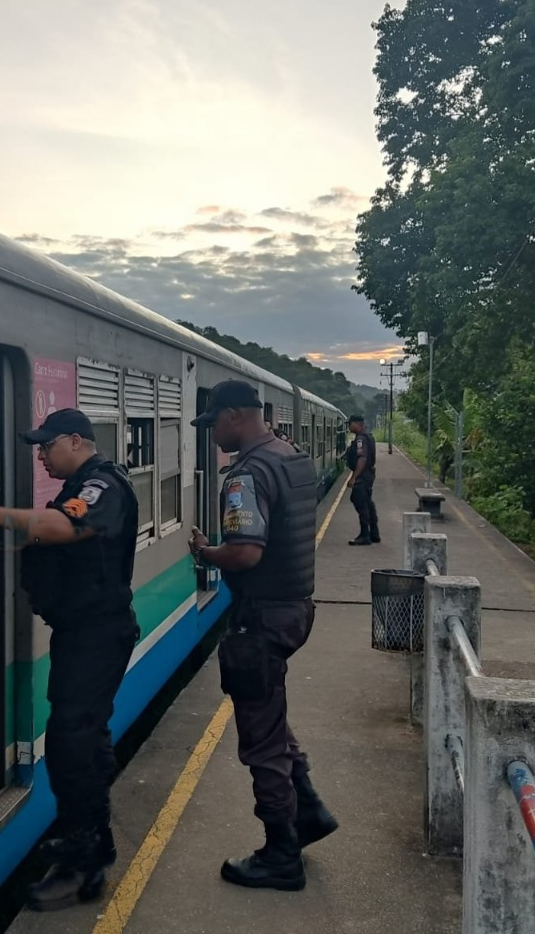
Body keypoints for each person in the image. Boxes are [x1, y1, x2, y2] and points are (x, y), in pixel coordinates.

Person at [0, 408, 139, 911]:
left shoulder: (102, 485)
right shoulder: (81, 482)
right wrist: (7, 556)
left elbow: (63, 529)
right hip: (82, 633)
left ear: (75, 440)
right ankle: (91, 839)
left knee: (75, 743)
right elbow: (63, 548)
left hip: (97, 633)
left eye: (46, 446)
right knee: (80, 738)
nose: (41, 456)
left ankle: (85, 861)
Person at [187, 380, 338, 892]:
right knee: (272, 717)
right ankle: (310, 812)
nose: (214, 438)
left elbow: (247, 551)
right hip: (295, 608)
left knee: (260, 743)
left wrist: (208, 553)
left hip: (262, 617)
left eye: (214, 426)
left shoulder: (245, 475)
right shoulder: (291, 456)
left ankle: (281, 856)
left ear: (233, 416)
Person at [345, 415, 380, 546]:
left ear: (356, 424)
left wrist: (353, 477)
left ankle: (365, 535)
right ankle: (374, 533)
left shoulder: (361, 439)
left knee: (360, 502)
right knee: (368, 503)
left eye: (350, 424)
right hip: (368, 475)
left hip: (363, 476)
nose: (349, 427)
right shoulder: (369, 436)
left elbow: (362, 458)